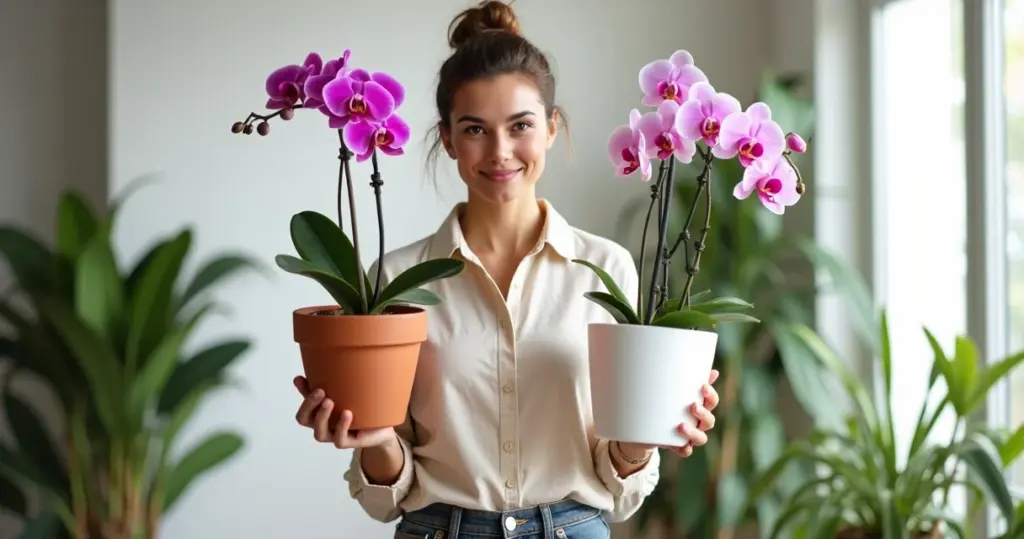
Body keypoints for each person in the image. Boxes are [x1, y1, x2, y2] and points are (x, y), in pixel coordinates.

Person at [292, 2, 720, 538]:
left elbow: (620, 489)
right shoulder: (395, 280)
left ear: (549, 128)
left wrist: (651, 428)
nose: (500, 152)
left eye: (520, 125)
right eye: (475, 129)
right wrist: (372, 438)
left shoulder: (605, 271)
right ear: (447, 138)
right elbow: (385, 498)